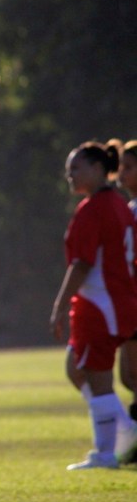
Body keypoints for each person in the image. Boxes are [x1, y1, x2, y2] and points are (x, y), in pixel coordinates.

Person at [50, 141, 137, 470]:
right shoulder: (118, 204)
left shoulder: (94, 209)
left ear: (99, 169)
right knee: (76, 367)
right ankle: (127, 431)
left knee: (100, 379)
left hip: (101, 303)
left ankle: (105, 453)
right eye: (68, 169)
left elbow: (82, 263)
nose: (70, 175)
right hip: (117, 300)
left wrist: (60, 304)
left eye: (77, 167)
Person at [114, 138, 137, 431]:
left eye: (129, 167)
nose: (121, 172)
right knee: (128, 376)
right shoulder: (128, 207)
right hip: (128, 298)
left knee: (133, 375)